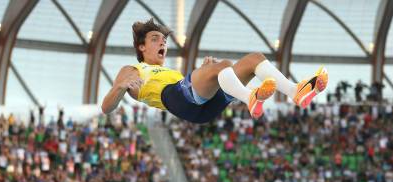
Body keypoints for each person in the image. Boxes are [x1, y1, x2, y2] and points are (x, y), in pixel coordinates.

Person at [102, 18, 328, 123]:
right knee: (224, 66)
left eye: (163, 40)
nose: (162, 43)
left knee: (254, 59)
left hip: (201, 108)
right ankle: (250, 98)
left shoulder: (172, 73)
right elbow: (106, 107)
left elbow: (194, 90)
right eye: (155, 39)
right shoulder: (135, 69)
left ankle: (295, 91)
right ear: (141, 47)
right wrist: (121, 87)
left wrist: (205, 72)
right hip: (176, 101)